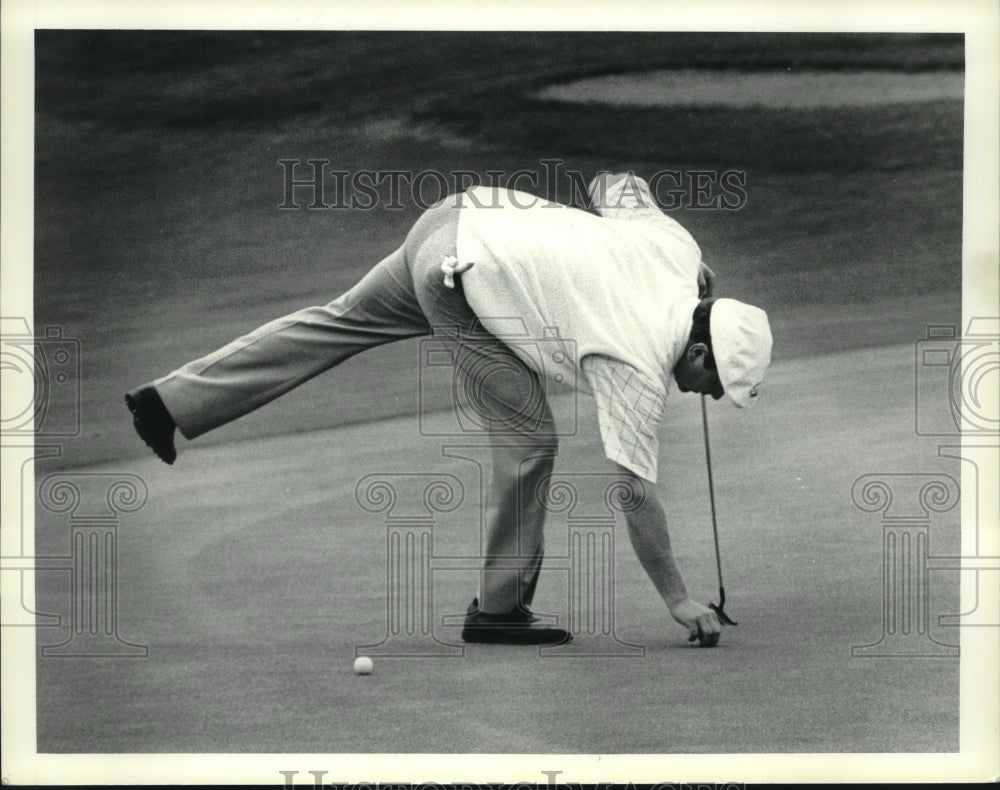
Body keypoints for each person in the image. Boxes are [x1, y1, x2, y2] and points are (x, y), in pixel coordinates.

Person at [126, 172, 772, 647]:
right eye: (715, 383)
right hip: (462, 279)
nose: (710, 396)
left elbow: (616, 183)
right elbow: (634, 492)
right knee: (531, 442)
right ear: (697, 348)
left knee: (340, 321)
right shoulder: (637, 361)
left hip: (455, 216)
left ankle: (169, 402)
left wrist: (684, 259)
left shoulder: (675, 249)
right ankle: (498, 611)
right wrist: (677, 599)